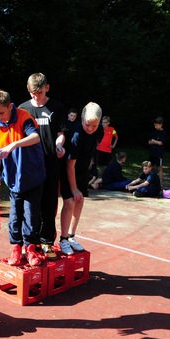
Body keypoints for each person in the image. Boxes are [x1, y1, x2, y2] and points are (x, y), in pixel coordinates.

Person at [0, 90, 46, 266]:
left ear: (10, 106)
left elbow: (35, 137)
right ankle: (15, 248)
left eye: (2, 112)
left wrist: (14, 144)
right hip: (14, 178)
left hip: (33, 176)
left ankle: (30, 249)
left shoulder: (23, 117)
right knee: (14, 216)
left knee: (30, 215)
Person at [18, 73, 66, 259]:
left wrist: (59, 143)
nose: (35, 97)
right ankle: (31, 242)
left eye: (39, 93)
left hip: (51, 163)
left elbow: (61, 132)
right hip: (30, 166)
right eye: (32, 93)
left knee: (49, 203)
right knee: (31, 205)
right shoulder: (22, 109)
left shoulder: (56, 107)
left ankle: (47, 241)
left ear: (47, 88)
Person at [59, 102, 103, 255]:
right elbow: (70, 165)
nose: (90, 129)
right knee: (70, 201)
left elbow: (94, 145)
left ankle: (71, 236)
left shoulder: (99, 130)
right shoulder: (76, 135)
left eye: (94, 126)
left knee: (80, 201)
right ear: (82, 119)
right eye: (87, 125)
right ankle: (63, 239)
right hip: (68, 170)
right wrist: (74, 188)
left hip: (83, 171)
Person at [148, 117, 167, 188]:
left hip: (159, 153)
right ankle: (149, 181)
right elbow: (149, 142)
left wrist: (154, 141)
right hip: (152, 152)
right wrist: (154, 142)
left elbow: (161, 143)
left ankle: (161, 184)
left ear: (161, 124)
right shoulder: (153, 132)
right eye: (155, 125)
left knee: (160, 168)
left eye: (157, 125)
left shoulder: (163, 132)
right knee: (150, 167)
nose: (155, 126)